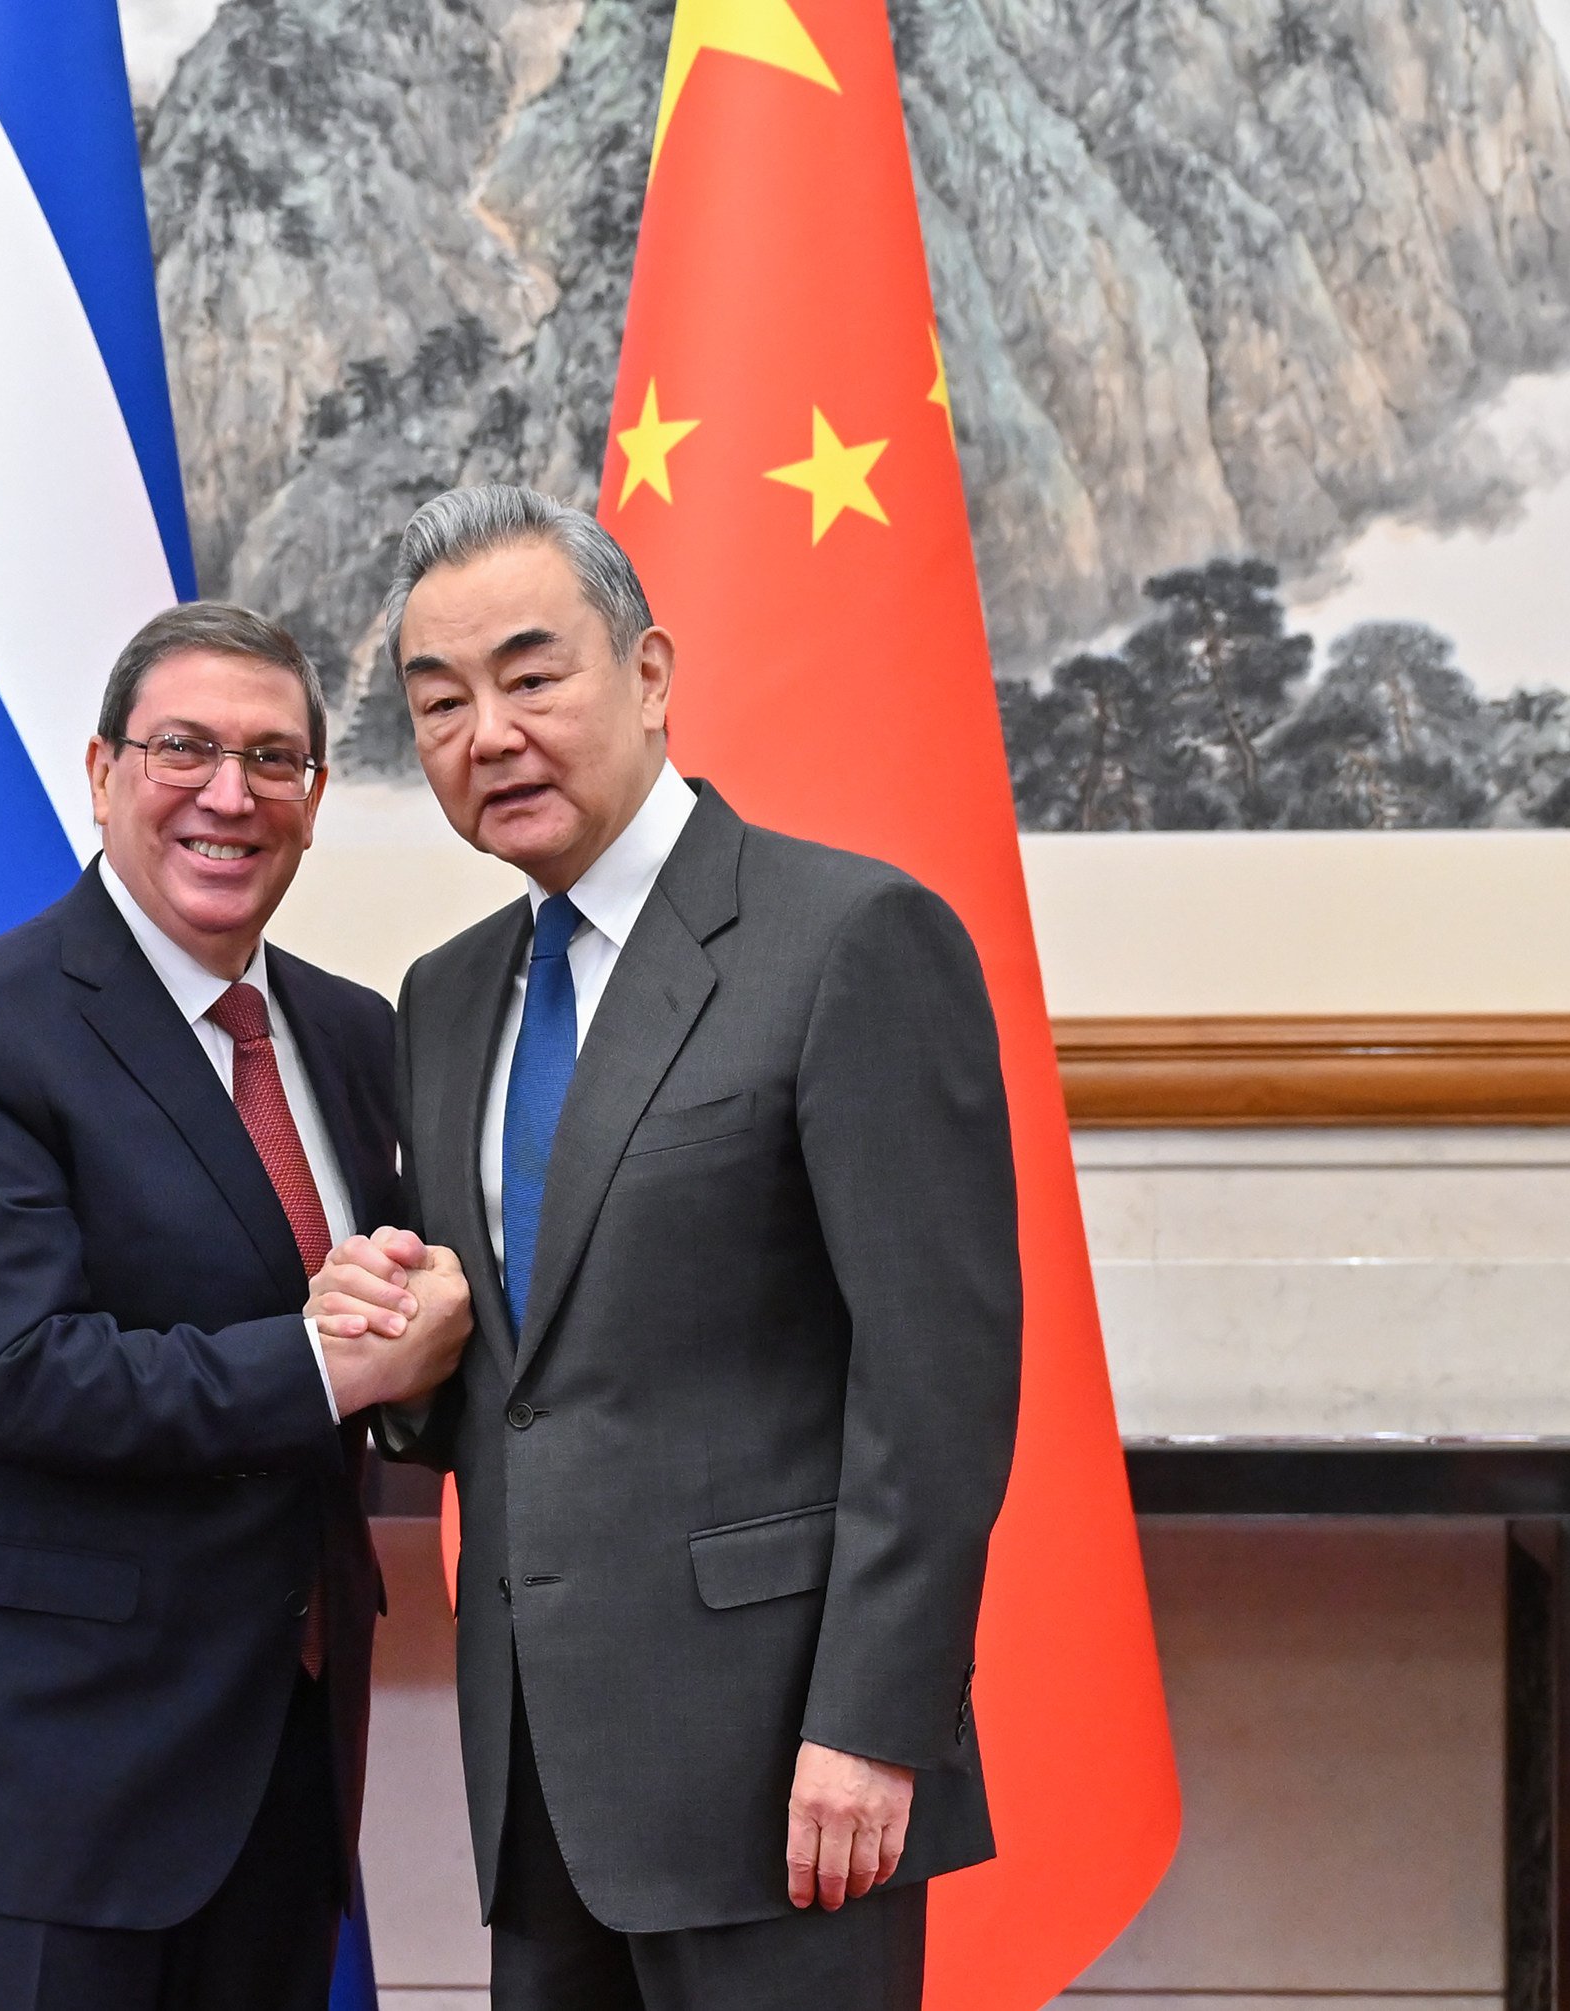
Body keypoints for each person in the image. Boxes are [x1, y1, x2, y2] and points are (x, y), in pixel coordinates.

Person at [309, 487, 1023, 2010]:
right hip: (543, 1779)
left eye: (530, 675)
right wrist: (398, 1346)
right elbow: (515, 1370)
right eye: (437, 703)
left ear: (647, 675)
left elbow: (937, 1378)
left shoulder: (848, 939)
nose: (487, 733)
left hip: (784, 1771)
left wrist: (876, 1721)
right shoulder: (444, 999)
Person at [0, 601, 472, 2011]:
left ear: (314, 798)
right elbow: (15, 1376)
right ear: (101, 775)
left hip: (270, 1771)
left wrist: (417, 1353)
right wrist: (328, 1367)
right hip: (23, 1786)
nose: (231, 795)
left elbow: (389, 1324)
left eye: (274, 760)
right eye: (186, 749)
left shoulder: (352, 1036)